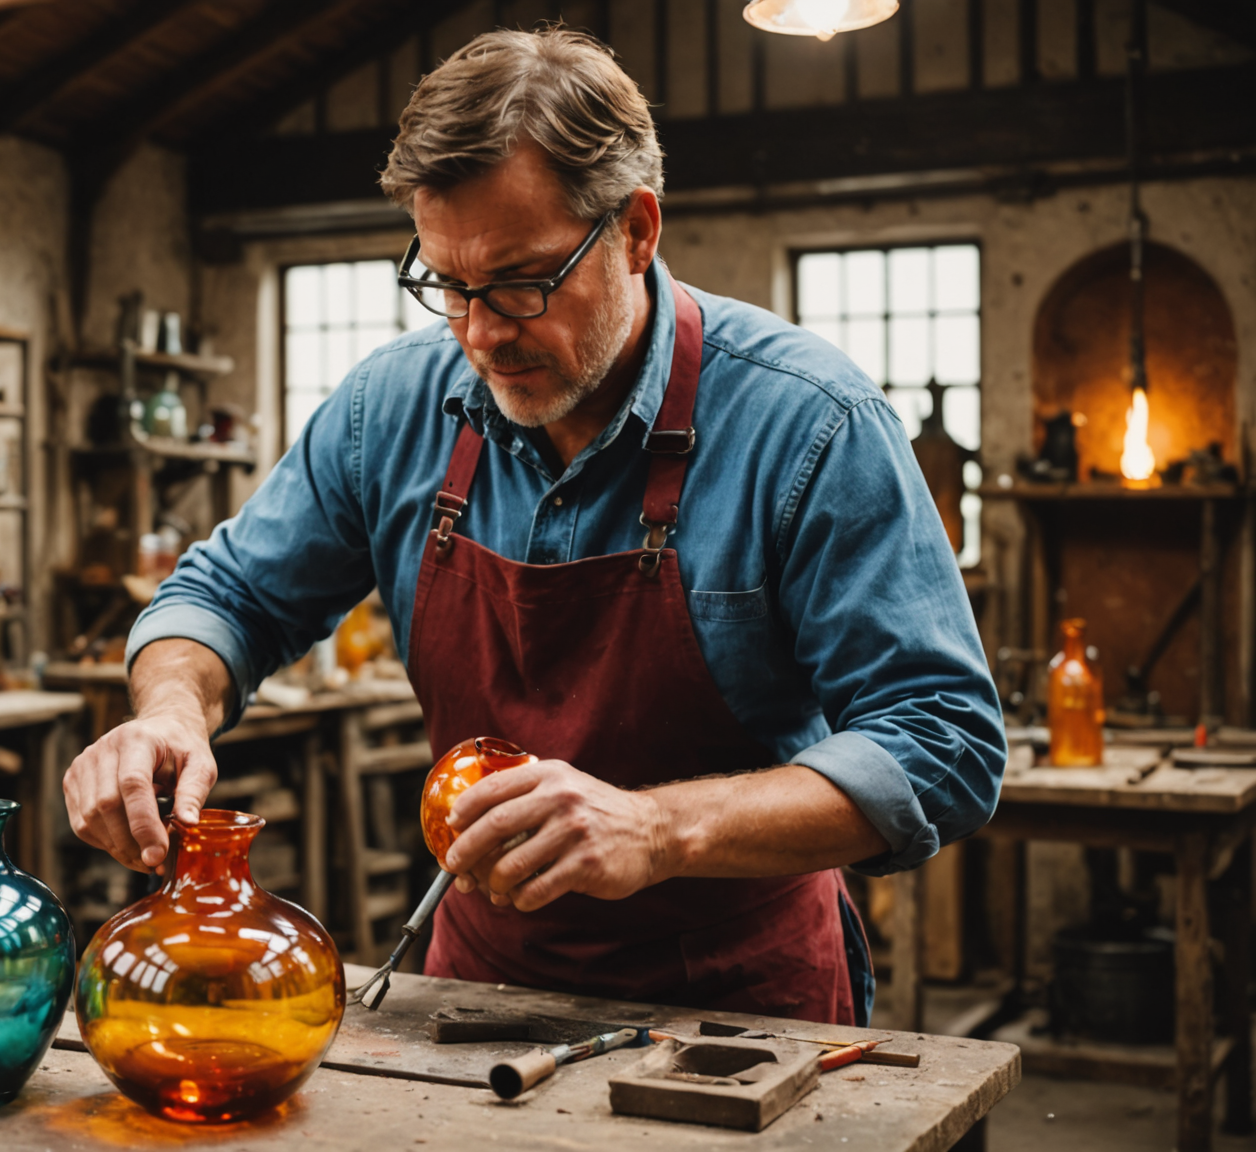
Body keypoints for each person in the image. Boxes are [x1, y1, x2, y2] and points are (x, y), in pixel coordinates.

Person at [63, 27, 1005, 1026]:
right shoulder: (393, 408)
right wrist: (171, 707)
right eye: (447, 285)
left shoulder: (808, 422)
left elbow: (941, 743)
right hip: (478, 994)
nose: (481, 335)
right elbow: (226, 595)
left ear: (636, 231)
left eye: (522, 281)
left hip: (741, 1010)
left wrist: (659, 829)